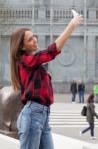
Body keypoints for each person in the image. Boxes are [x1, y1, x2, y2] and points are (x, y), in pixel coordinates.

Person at [9, 13, 83, 149]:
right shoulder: (26, 61)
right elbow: (51, 51)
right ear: (22, 47)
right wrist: (72, 25)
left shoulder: (32, 63)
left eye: (34, 36)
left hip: (43, 115)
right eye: (30, 39)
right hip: (33, 114)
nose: (35, 40)